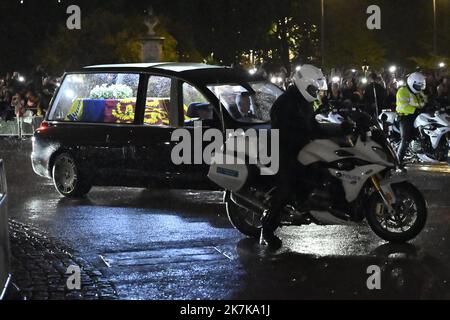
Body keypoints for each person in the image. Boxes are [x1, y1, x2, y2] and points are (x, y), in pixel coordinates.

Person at [261, 65, 335, 248]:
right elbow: (285, 131)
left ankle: (311, 202)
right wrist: (307, 136)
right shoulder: (285, 103)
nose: (316, 92)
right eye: (314, 88)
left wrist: (334, 132)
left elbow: (312, 125)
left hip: (302, 148)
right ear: (304, 83)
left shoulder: (303, 101)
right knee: (288, 184)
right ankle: (267, 228)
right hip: (284, 149)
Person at [396, 72, 427, 163]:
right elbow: (403, 106)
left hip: (417, 115)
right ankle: (398, 161)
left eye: (421, 85)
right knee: (405, 139)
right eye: (418, 85)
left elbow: (424, 101)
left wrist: (430, 104)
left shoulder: (418, 92)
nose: (420, 87)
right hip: (405, 117)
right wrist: (415, 110)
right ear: (411, 83)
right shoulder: (402, 91)